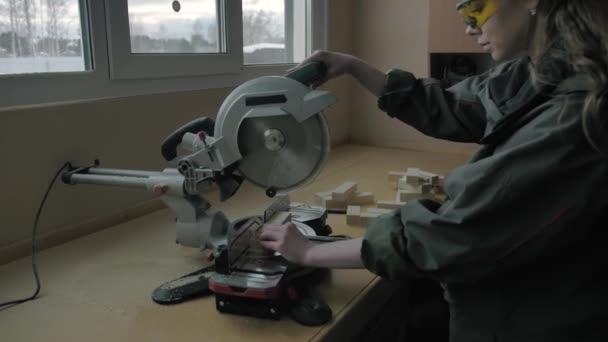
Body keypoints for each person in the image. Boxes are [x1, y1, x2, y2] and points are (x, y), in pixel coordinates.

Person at [258, 0, 608, 341]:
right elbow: (454, 105)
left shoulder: (581, 115)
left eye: (475, 8)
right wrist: (352, 66)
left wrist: (311, 253)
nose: (469, 26)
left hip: (530, 318)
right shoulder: (545, 70)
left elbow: (453, 235)